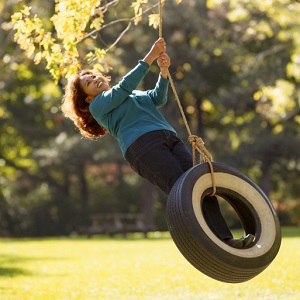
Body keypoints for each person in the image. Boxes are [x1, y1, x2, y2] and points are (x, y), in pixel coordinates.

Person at [61, 38, 254, 248]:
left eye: (94, 76)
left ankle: (226, 240)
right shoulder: (99, 106)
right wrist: (151, 56)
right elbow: (124, 87)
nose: (95, 79)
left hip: (169, 137)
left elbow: (156, 98)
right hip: (142, 148)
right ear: (87, 99)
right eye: (89, 82)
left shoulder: (130, 94)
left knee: (198, 185)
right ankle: (204, 243)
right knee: (182, 190)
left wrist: (163, 73)